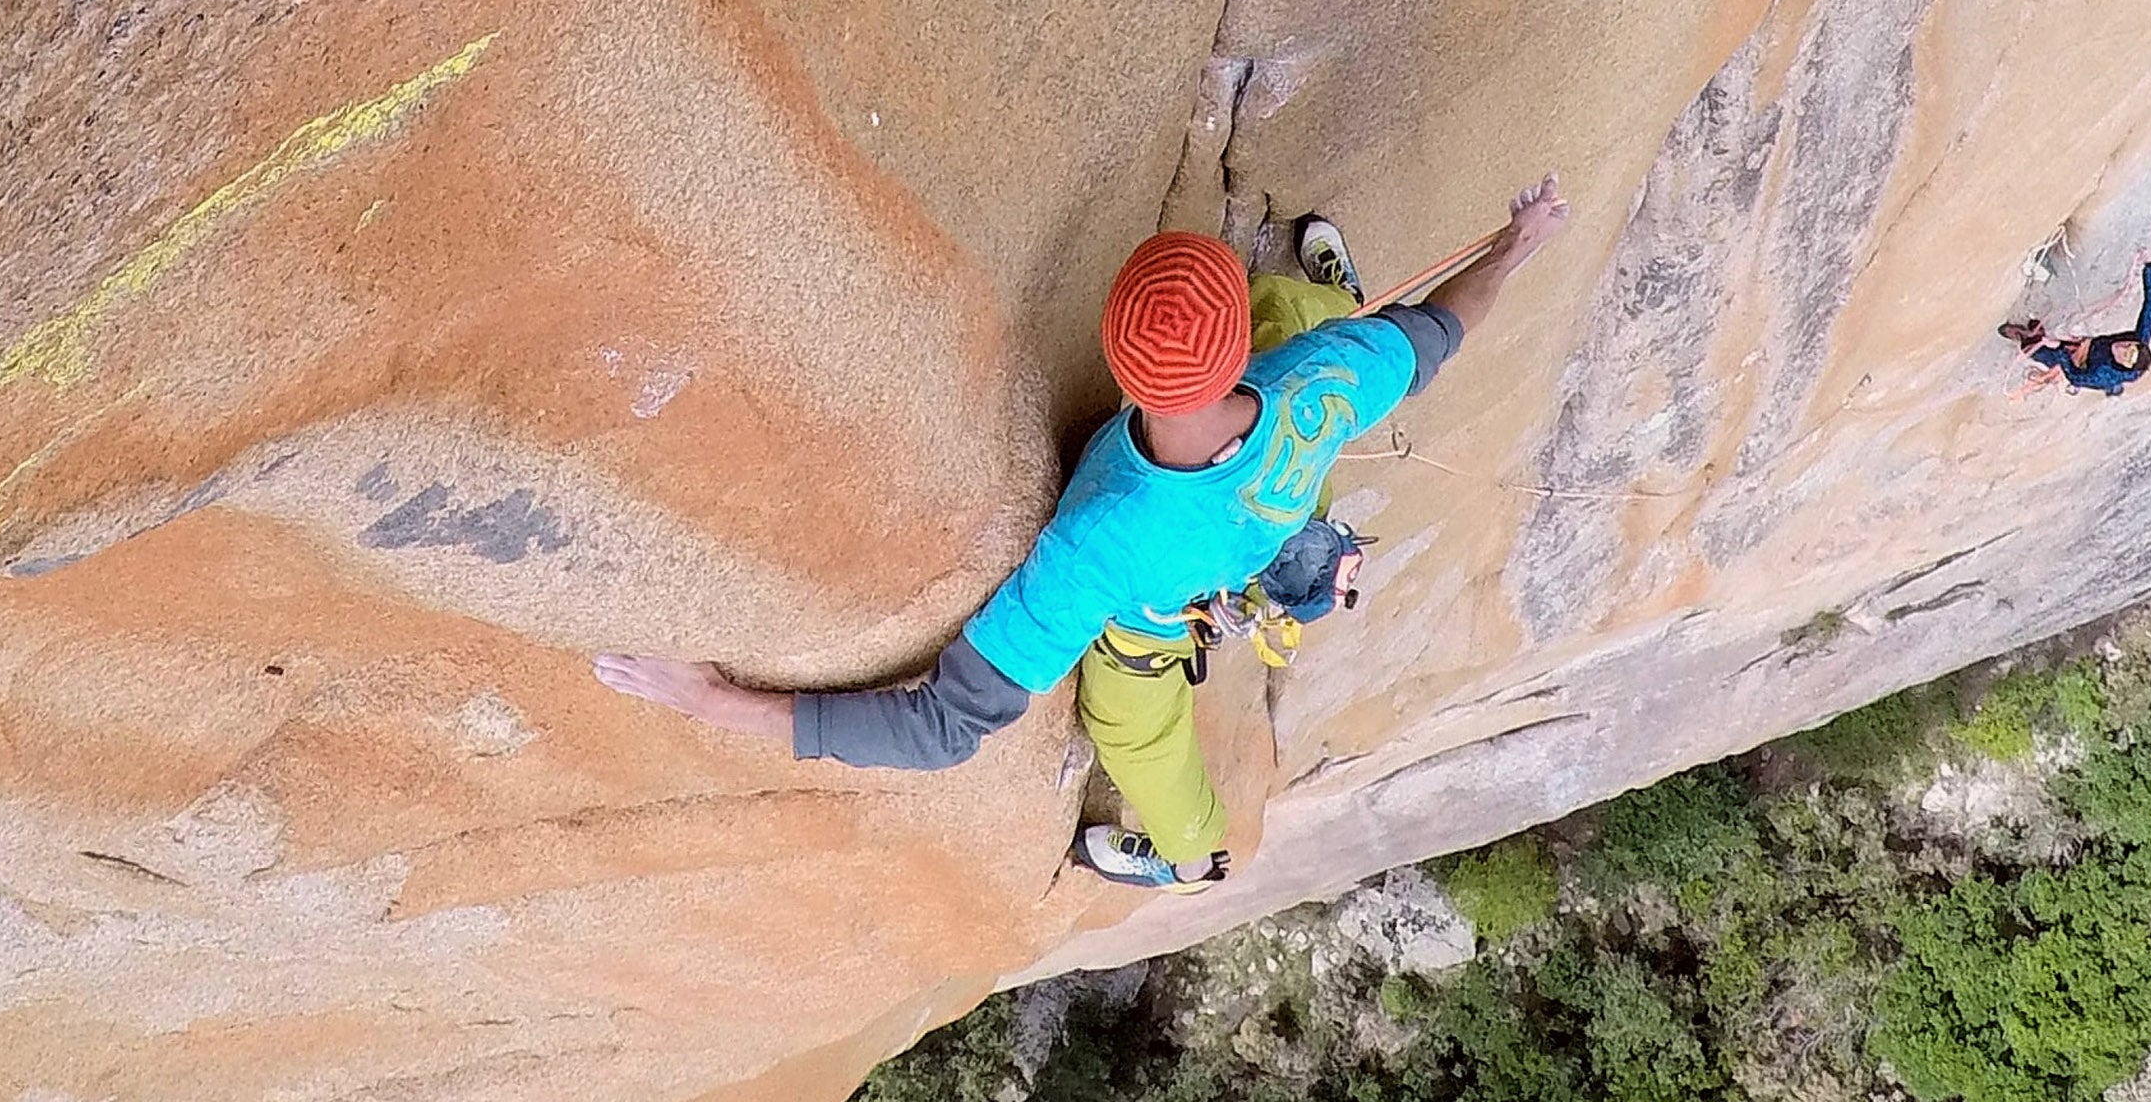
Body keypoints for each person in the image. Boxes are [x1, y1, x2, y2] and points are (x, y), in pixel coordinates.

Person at [593, 177, 1572, 893]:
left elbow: (942, 729)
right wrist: (1516, 244)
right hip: (1282, 466)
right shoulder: (1326, 377)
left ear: (1113, 360)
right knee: (1314, 316)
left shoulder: (1095, 547)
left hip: (1160, 600)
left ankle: (1189, 859)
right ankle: (1316, 300)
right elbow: (1439, 330)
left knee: (1144, 744)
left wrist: (716, 699)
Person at [2000, 262, 2151, 396]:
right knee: (2063, 341)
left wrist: (2061, 350)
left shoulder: (2101, 374)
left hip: (2084, 365)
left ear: (2122, 364)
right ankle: (2115, 389)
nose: (2122, 347)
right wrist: (2149, 269)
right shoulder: (2139, 340)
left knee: (2035, 350)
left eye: (2124, 355)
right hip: (2093, 348)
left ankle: (2024, 337)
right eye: (2128, 346)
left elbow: (2075, 377)